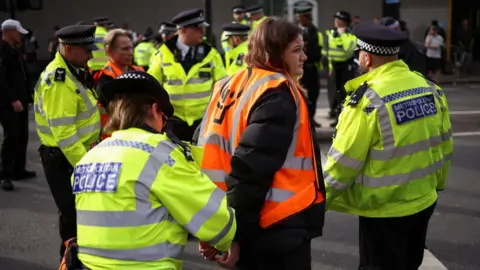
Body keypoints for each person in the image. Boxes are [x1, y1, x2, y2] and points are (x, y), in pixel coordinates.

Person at [58, 71, 237, 270]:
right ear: (154, 110)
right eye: (164, 117)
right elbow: (217, 220)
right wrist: (229, 242)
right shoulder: (158, 152)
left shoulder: (90, 158)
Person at [196, 17, 326, 270]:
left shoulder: (227, 84)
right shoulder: (277, 90)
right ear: (275, 53)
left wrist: (219, 228)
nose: (304, 57)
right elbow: (250, 171)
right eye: (296, 50)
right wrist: (237, 235)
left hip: (231, 214)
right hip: (276, 223)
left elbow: (204, 148)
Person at [323, 23, 453, 270]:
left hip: (384, 210)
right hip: (423, 200)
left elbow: (343, 163)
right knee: (409, 263)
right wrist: (438, 184)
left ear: (367, 58)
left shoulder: (368, 100)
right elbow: (445, 144)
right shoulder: (429, 87)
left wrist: (319, 200)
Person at [34, 24, 101, 258]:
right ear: (70, 49)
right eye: (87, 50)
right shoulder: (59, 80)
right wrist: (85, 165)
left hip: (74, 154)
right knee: (72, 218)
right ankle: (69, 262)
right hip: (65, 158)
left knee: (81, 215)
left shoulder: (73, 69)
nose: (91, 55)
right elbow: (64, 134)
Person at [148, 9, 226, 143]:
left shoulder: (211, 54)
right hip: (172, 121)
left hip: (203, 122)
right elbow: (151, 85)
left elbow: (223, 86)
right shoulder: (162, 53)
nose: (202, 31)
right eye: (197, 28)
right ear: (183, 30)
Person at [0, 19, 35, 191]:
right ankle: (5, 174)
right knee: (11, 136)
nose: (21, 35)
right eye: (18, 32)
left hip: (20, 101)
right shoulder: (2, 50)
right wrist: (12, 99)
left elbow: (22, 75)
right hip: (7, 103)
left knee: (22, 136)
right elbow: (2, 79)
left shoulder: (14, 50)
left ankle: (18, 169)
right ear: (9, 32)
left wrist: (28, 96)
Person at [93, 28, 144, 141]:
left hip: (137, 137)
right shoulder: (104, 79)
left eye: (131, 48)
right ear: (109, 51)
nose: (130, 53)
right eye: (125, 49)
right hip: (113, 139)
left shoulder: (139, 72)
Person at [327, 11, 357, 126]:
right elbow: (331, 52)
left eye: (338, 19)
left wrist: (343, 34)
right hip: (335, 67)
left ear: (343, 22)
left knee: (345, 94)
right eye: (335, 19)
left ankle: (344, 118)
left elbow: (349, 50)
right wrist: (330, 68)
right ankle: (338, 117)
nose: (335, 21)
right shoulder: (332, 33)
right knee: (336, 93)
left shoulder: (350, 34)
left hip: (346, 67)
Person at [295, 6, 322, 127]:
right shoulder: (294, 31)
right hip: (300, 68)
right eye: (301, 17)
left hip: (312, 67)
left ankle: (311, 117)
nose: (303, 19)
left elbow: (318, 49)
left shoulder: (314, 31)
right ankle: (303, 117)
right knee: (301, 93)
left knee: (314, 94)